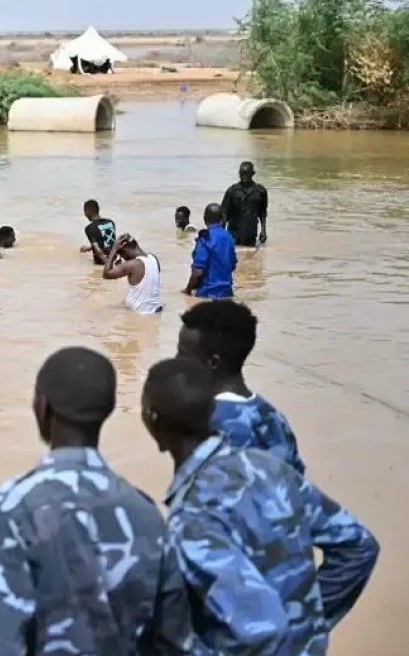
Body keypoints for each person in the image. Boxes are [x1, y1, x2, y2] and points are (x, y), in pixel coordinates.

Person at [0, 347, 196, 656]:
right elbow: (174, 640)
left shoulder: (13, 507)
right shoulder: (145, 512)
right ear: (107, 411)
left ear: (42, 408)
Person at [141, 358, 380, 655]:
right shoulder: (268, 467)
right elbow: (358, 546)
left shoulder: (191, 517)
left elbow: (262, 631)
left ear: (152, 419)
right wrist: (309, 624)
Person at [177, 299, 306, 473]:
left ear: (213, 362)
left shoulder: (207, 427)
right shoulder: (274, 417)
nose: (175, 361)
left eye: (182, 353)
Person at [182, 203, 236, 299]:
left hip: (208, 294)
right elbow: (232, 265)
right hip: (227, 292)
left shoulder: (206, 238)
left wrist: (188, 290)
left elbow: (197, 271)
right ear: (222, 218)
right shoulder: (229, 238)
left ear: (205, 219)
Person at [102, 233, 162, 314]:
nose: (123, 259)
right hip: (153, 310)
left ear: (125, 251)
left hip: (139, 314)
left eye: (121, 255)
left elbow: (106, 273)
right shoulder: (154, 258)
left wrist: (114, 250)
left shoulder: (134, 264)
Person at [221, 161, 268, 247]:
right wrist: (221, 233)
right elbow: (224, 212)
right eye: (242, 174)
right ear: (239, 174)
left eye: (247, 174)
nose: (244, 176)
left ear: (253, 173)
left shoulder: (260, 191)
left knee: (250, 258)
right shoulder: (232, 191)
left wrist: (263, 230)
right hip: (233, 233)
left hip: (250, 233)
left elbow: (263, 213)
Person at [79, 199, 117, 265]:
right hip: (115, 259)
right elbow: (108, 240)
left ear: (87, 212)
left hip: (103, 263)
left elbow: (98, 250)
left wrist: (108, 266)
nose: (84, 214)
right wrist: (89, 248)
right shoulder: (110, 222)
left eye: (84, 211)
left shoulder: (90, 228)